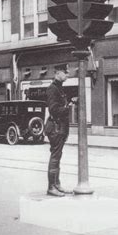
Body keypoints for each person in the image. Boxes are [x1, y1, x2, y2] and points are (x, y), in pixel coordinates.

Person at [45, 65, 72, 197]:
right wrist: (68, 109)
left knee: (58, 156)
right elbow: (54, 110)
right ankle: (51, 187)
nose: (68, 74)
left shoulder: (59, 88)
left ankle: (57, 184)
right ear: (58, 73)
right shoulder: (52, 89)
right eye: (66, 72)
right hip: (55, 128)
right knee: (55, 157)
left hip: (60, 128)